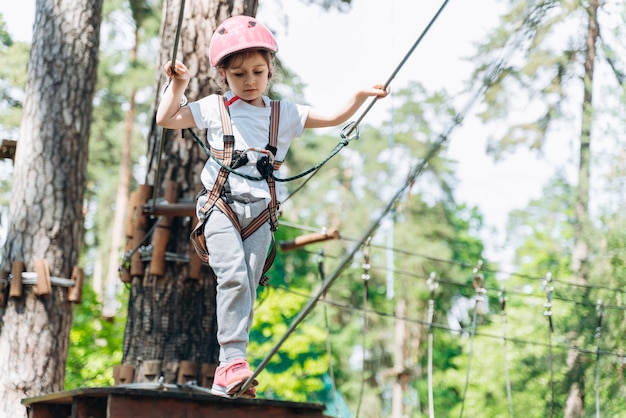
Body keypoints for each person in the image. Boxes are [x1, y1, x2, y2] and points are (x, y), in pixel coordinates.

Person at [156, 15, 389, 399]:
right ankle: (231, 360)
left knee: (246, 283)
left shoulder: (284, 114)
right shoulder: (215, 108)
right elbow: (168, 117)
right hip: (221, 206)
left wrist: (359, 96)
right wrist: (178, 84)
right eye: (238, 74)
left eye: (258, 72)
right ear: (223, 77)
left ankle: (229, 369)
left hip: (262, 213)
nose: (249, 81)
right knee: (231, 275)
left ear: (269, 71)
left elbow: (332, 116)